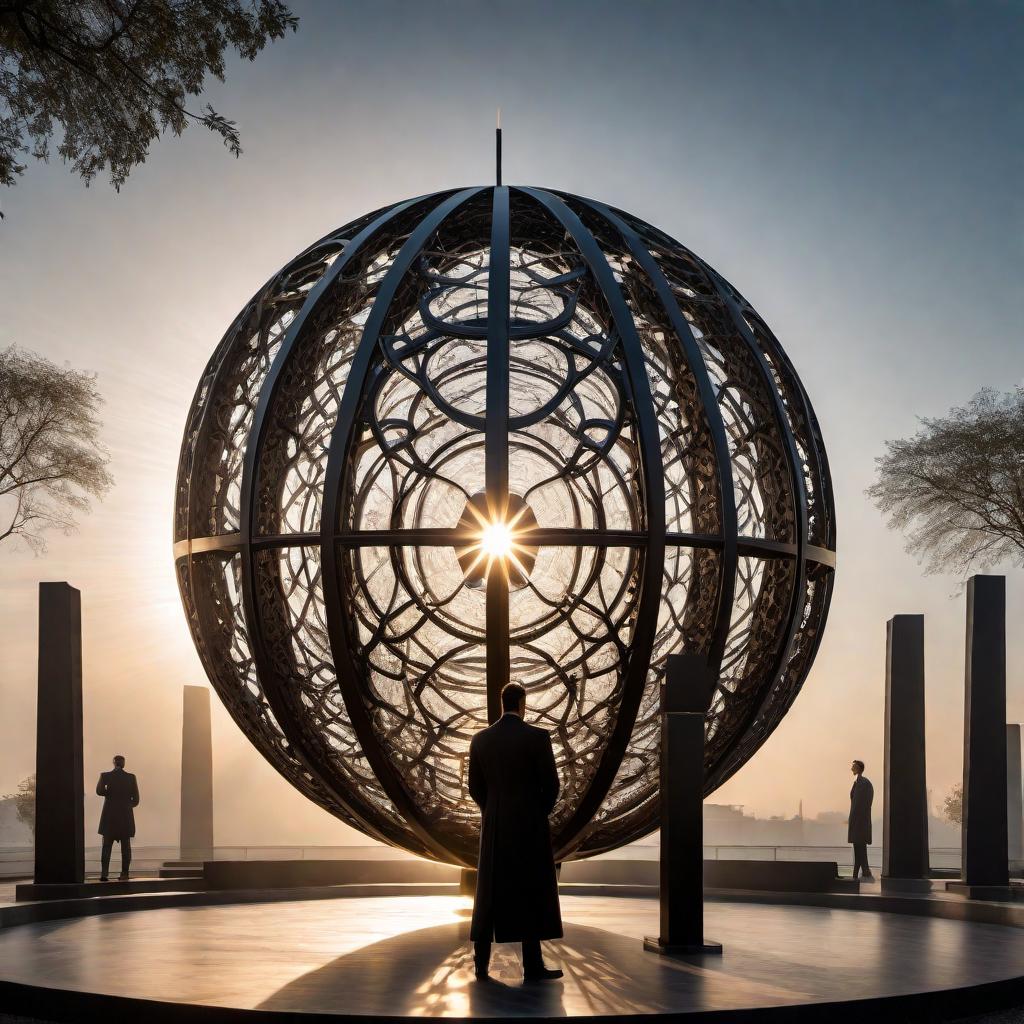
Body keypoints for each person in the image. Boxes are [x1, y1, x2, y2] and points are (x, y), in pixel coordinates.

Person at [468, 682, 563, 983]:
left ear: (501, 702)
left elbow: (474, 787)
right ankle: (533, 965)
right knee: (530, 890)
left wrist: (492, 809)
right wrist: (536, 812)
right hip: (529, 824)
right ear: (523, 703)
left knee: (489, 893)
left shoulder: (480, 740)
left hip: (495, 823)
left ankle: (481, 964)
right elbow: (552, 785)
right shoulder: (538, 738)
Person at [96, 755, 140, 881]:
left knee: (106, 847)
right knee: (126, 848)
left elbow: (99, 791)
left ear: (114, 763)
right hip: (125, 817)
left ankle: (104, 874)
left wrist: (107, 790)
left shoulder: (105, 776)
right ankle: (124, 873)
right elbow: (136, 800)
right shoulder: (131, 778)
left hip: (109, 817)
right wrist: (126, 806)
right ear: (124, 763)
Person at [848, 759, 874, 881]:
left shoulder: (864, 783)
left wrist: (855, 818)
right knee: (859, 848)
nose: (851, 768)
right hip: (857, 821)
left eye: (853, 766)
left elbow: (861, 804)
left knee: (859, 847)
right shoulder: (859, 783)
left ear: (859, 768)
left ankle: (856, 874)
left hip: (860, 822)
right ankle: (865, 870)